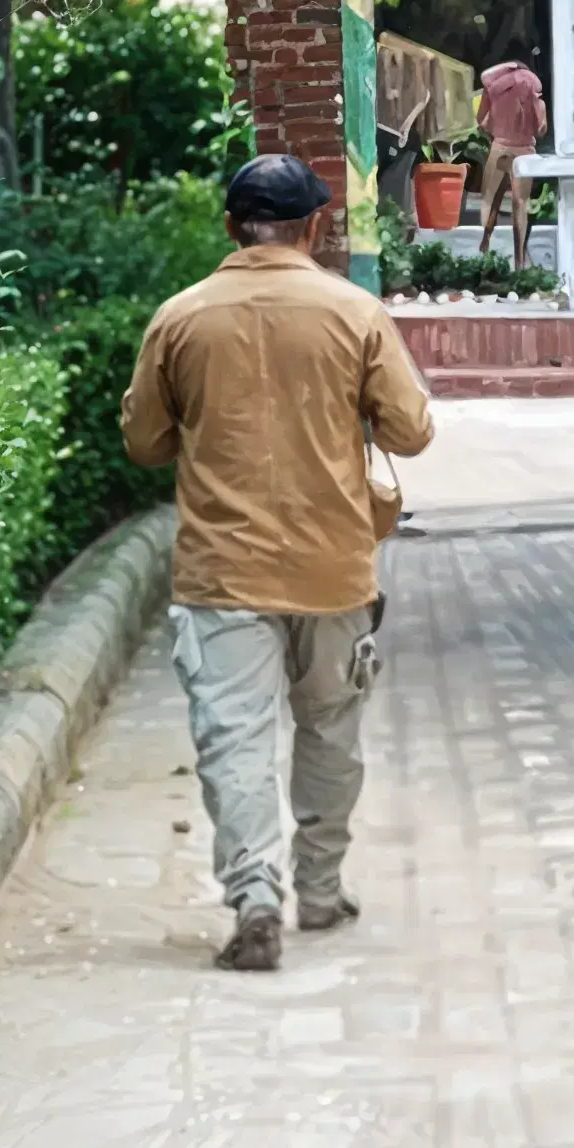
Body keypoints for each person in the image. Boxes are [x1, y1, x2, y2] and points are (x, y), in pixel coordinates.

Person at [121, 154, 438, 970]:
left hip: (221, 573)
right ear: (315, 226)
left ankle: (255, 896)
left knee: (235, 740)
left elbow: (145, 443)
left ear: (231, 227)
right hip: (334, 568)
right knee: (331, 731)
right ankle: (322, 892)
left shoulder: (180, 318)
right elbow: (409, 432)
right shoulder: (353, 313)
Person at [475, 53, 548, 267]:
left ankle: (483, 248)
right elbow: (541, 129)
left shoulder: (493, 90)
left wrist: (496, 126)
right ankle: (519, 261)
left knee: (490, 199)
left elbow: (481, 121)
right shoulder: (533, 90)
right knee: (520, 204)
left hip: (500, 146)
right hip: (525, 150)